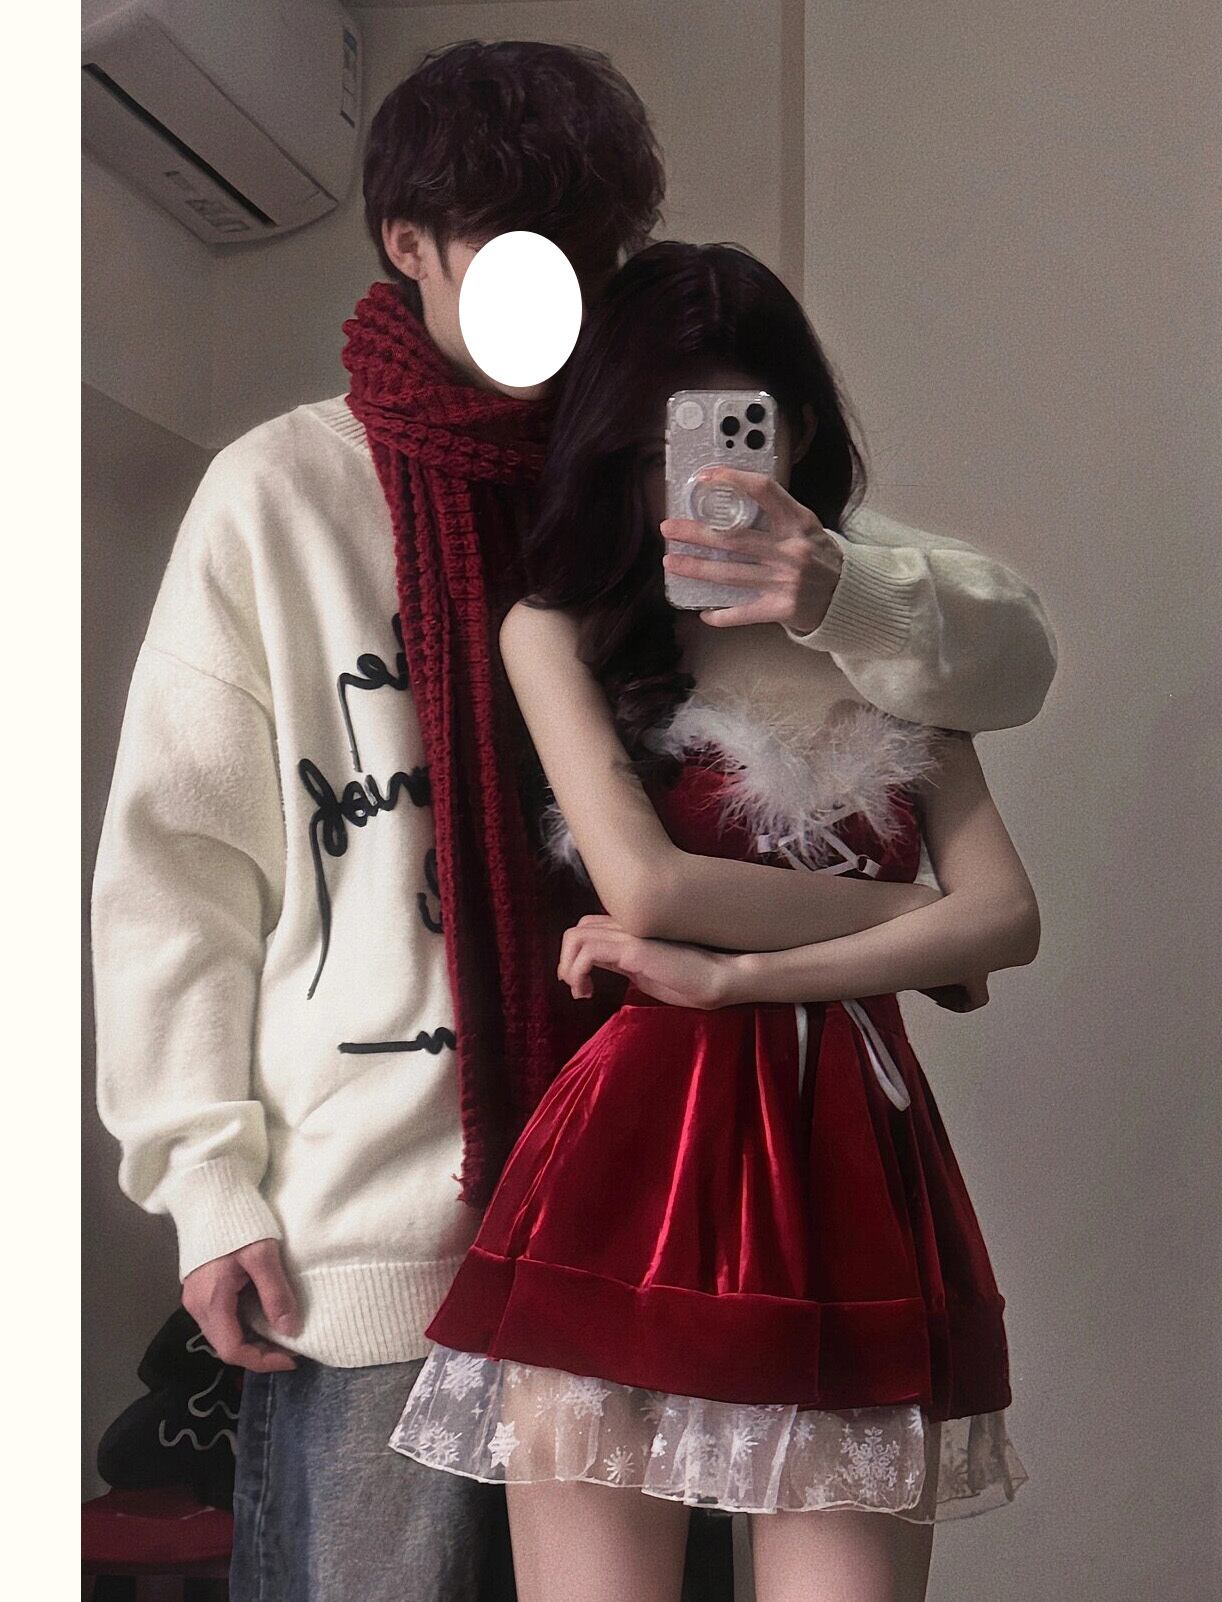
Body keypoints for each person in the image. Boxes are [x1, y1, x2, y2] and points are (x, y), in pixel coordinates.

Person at [89, 42, 1057, 1602]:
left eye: (589, 253)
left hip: (693, 1190)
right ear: (409, 243)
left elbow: (1005, 654)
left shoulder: (677, 475)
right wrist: (204, 1179)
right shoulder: (281, 493)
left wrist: (835, 584)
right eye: (514, 248)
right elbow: (179, 866)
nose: (563, 292)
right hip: (379, 1212)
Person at [387, 240, 1039, 1602]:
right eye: (646, 448)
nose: (686, 479)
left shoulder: (889, 636)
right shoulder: (559, 630)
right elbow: (652, 892)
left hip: (852, 1170)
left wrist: (735, 976)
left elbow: (1008, 916)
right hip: (634, 1160)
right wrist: (909, 920)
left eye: (731, 429)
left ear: (794, 431)